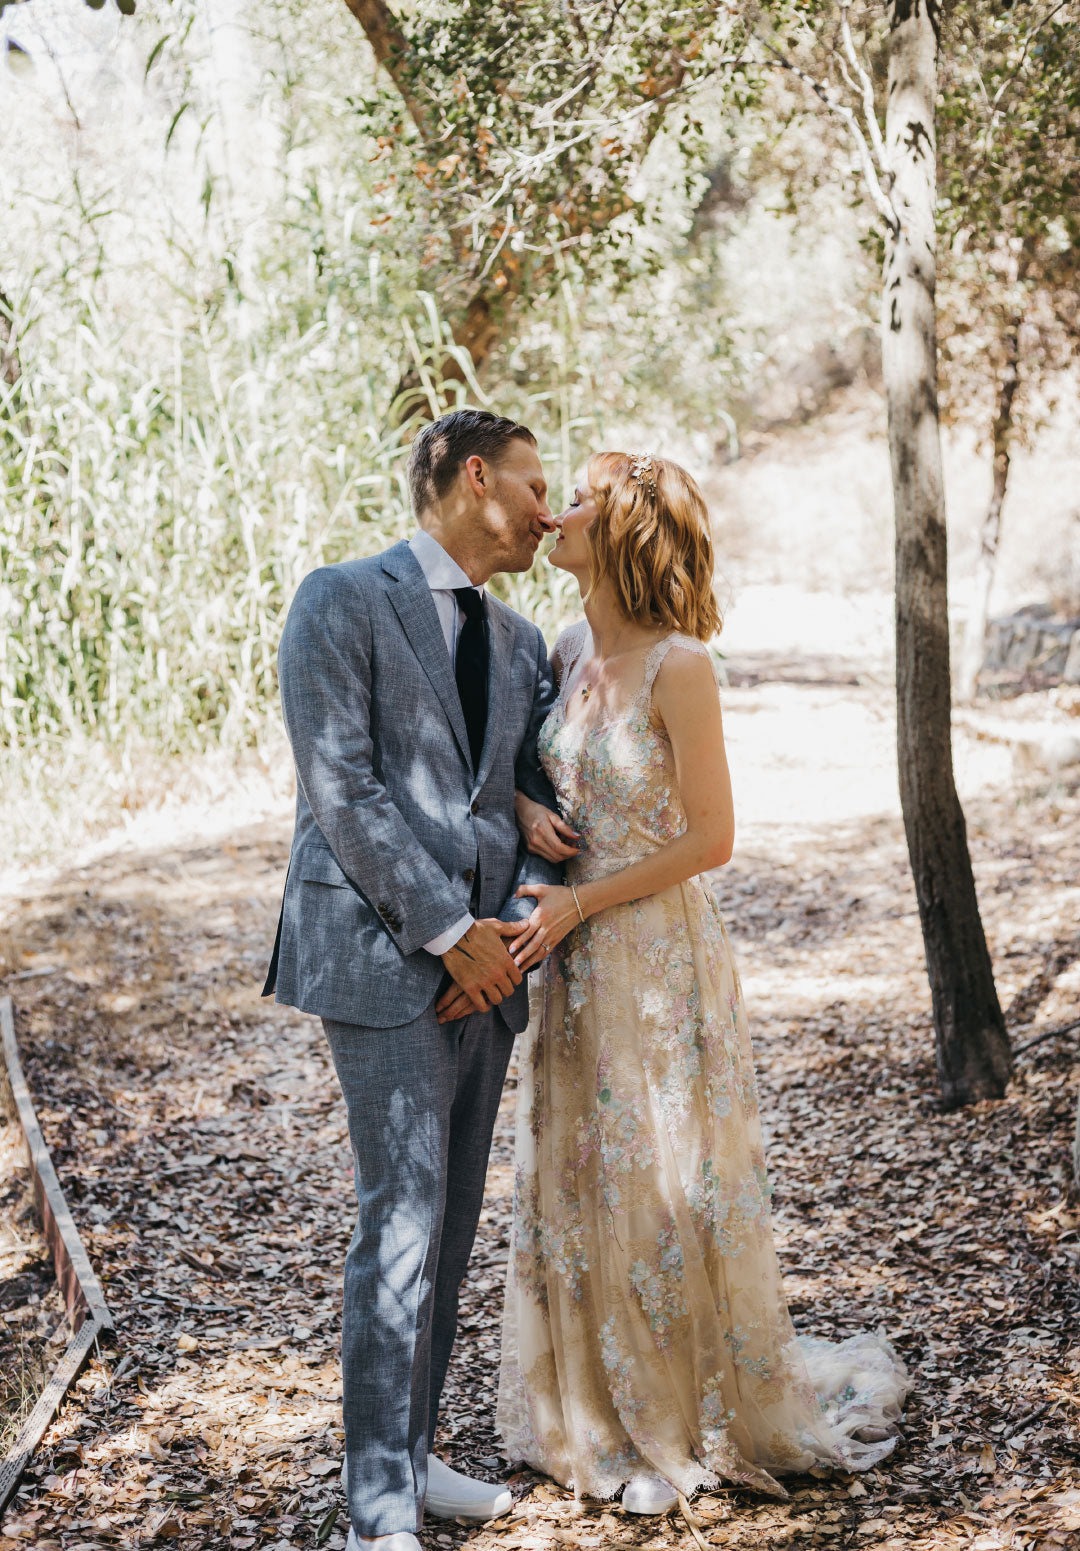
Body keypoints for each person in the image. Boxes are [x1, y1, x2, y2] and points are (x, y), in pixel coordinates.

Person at [497, 452, 910, 1511]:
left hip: (654, 954)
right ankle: (595, 1406)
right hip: (575, 957)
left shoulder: (682, 664)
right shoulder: (564, 646)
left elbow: (716, 839)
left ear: (625, 529)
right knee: (588, 1170)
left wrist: (584, 903)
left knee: (663, 1177)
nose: (559, 513)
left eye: (579, 498)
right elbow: (550, 782)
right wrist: (523, 817)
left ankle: (673, 1414)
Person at [263, 409, 565, 1551]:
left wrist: (510, 937)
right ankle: (372, 1510)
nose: (548, 508)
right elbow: (341, 786)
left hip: (489, 968)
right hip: (384, 959)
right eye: (535, 485)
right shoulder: (340, 598)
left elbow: (534, 799)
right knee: (398, 1221)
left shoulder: (526, 640)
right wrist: (450, 933)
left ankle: (418, 1455)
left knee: (445, 1229)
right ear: (474, 479)